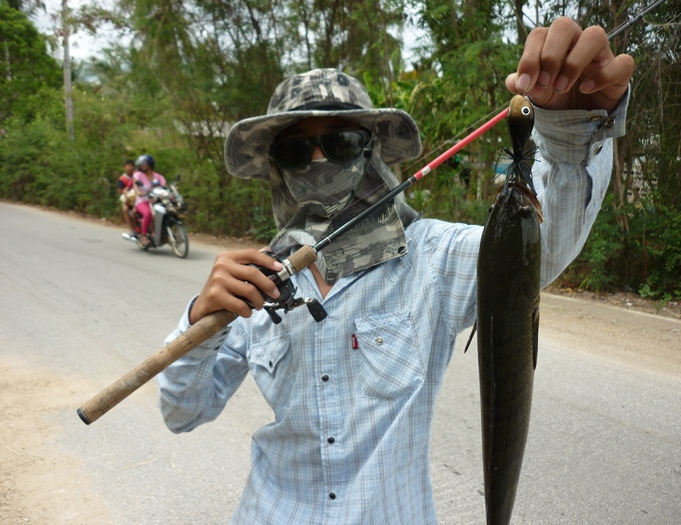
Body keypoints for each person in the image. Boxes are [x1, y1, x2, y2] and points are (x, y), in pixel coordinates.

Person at [158, 18, 634, 524]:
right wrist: (198, 318)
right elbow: (182, 411)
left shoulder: (430, 257)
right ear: (277, 166)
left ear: (370, 149)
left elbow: (540, 247)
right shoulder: (257, 286)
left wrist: (565, 131)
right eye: (296, 149)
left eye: (339, 142)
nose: (318, 160)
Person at [133, 154, 166, 246]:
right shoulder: (138, 175)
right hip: (142, 200)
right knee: (148, 213)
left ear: (150, 164)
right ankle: (144, 236)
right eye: (141, 164)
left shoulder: (158, 176)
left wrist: (171, 188)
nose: (142, 166)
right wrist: (139, 192)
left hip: (156, 200)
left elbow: (164, 185)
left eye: (144, 164)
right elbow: (135, 184)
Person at [117, 159, 136, 234]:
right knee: (125, 209)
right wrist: (128, 194)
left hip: (137, 197)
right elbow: (119, 191)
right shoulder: (122, 179)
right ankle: (131, 228)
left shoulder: (136, 176)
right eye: (128, 166)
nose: (130, 168)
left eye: (131, 166)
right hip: (127, 198)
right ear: (124, 167)